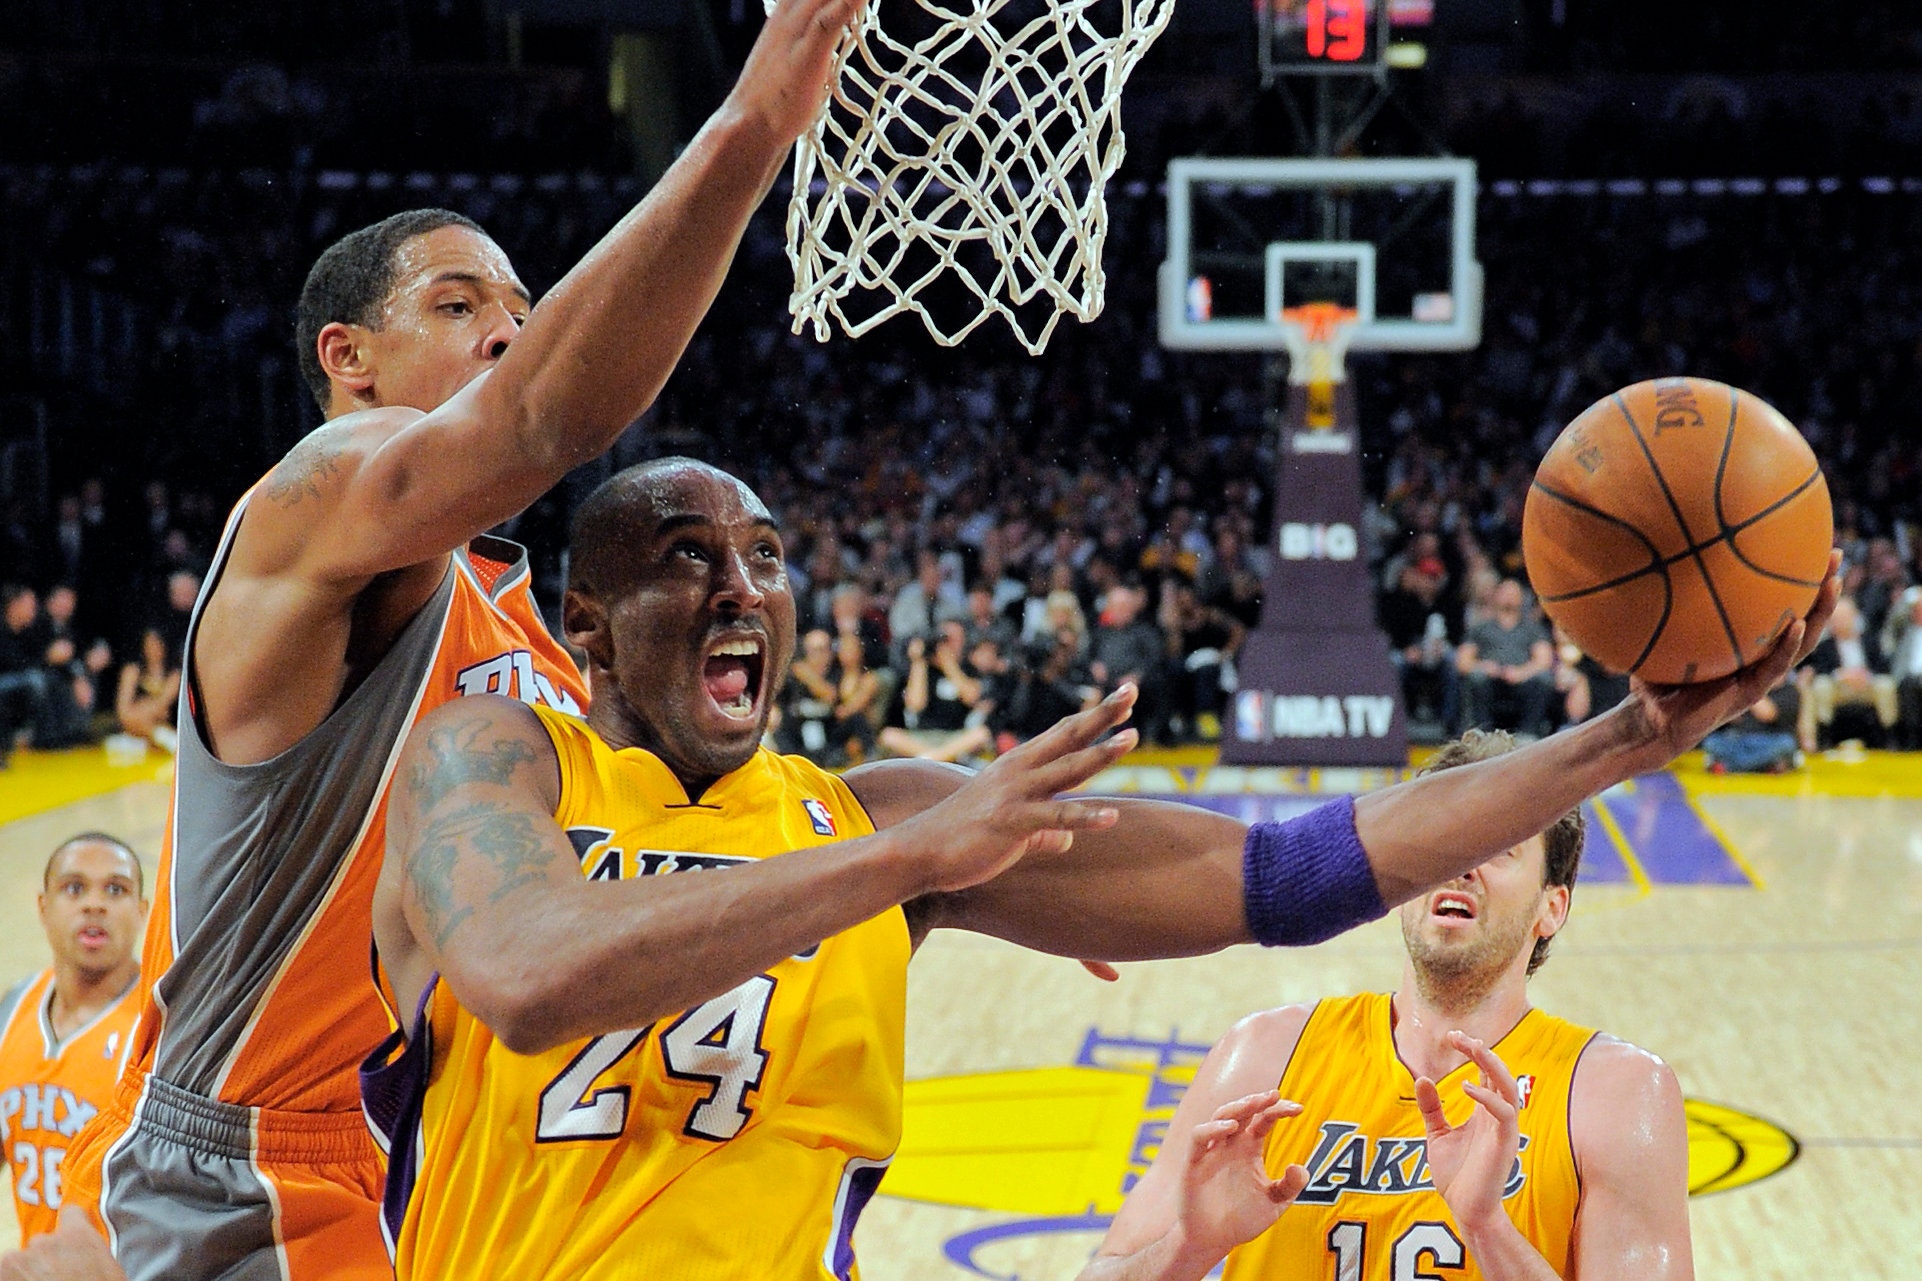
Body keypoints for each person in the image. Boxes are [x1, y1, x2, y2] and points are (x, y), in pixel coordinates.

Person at [365, 458, 1833, 1279]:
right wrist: (904, 862)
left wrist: (1623, 740)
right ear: (586, 621)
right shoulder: (492, 761)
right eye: (689, 559)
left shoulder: (872, 815)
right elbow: (530, 975)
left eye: (763, 555)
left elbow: (1283, 877)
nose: (742, 587)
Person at [53, 0, 863, 1273]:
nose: (507, 329)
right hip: (264, 1170)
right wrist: (755, 124)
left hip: (444, 1157)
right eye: (456, 303)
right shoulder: (310, 505)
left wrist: (973, 877)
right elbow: (541, 419)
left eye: (522, 308)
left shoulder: (534, 636)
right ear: (349, 358)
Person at [1080, 731, 1691, 1281]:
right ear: (1403, 882)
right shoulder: (1263, 1055)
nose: (1463, 866)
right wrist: (1189, 1248)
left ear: (1551, 908)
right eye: (1445, 844)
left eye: (1499, 846)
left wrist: (1488, 1228)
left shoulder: (1614, 1094)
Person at [0, 837, 146, 1243]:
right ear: (43, 906)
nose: (94, 904)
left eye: (115, 889)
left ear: (141, 911)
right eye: (74, 888)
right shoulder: (13, 1008)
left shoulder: (160, 1028)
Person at [1456, 579, 1554, 738]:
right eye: (1505, 592)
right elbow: (1463, 661)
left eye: (1514, 593)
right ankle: (1482, 733)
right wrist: (1484, 667)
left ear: (1522, 598)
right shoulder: (1480, 628)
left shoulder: (1533, 629)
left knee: (1544, 678)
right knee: (1476, 678)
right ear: (1496, 596)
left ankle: (1528, 734)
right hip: (1490, 681)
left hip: (1522, 681)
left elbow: (1544, 661)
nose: (1509, 597)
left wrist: (1521, 673)